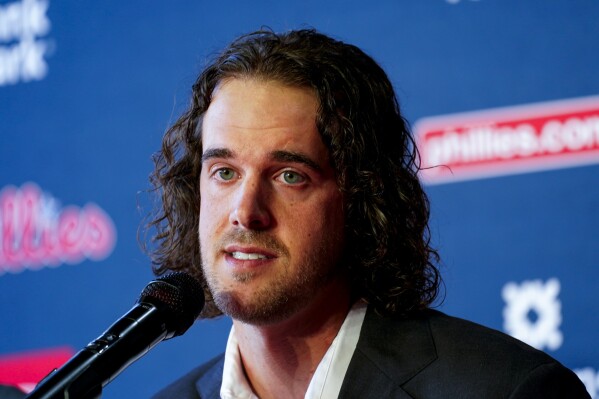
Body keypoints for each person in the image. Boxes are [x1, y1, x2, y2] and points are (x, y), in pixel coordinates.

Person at [147, 29, 589, 398]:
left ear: (362, 198)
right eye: (224, 172)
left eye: (289, 176)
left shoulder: (506, 391)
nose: (245, 211)